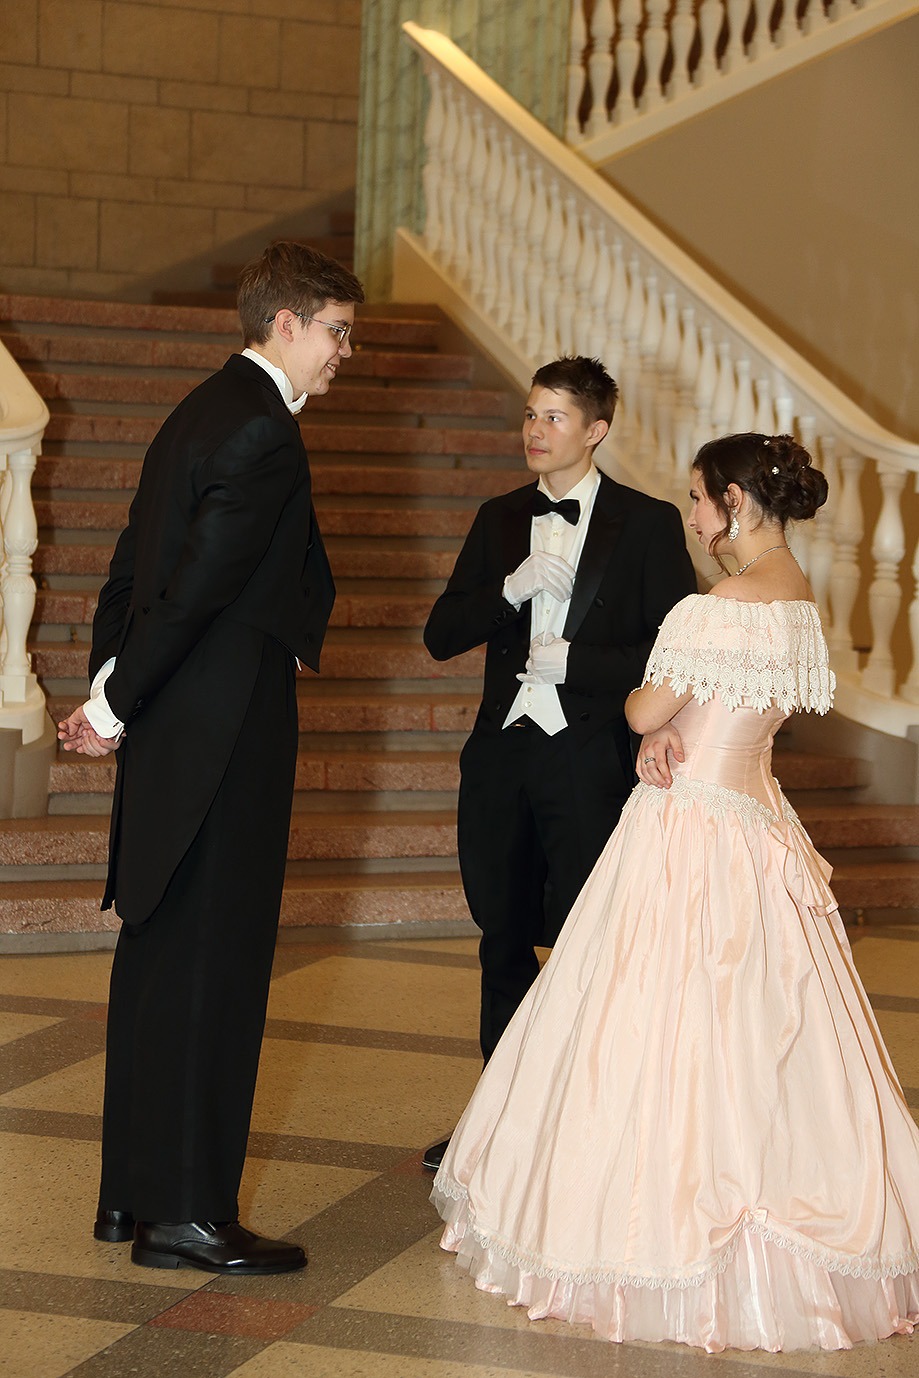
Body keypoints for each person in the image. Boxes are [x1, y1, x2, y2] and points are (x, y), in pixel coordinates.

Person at [430, 432, 919, 1352]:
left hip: (687, 827)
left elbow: (641, 708)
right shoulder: (797, 600)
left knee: (647, 1017)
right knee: (769, 1026)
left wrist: (658, 722)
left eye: (697, 500)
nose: (690, 518)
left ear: (733, 502)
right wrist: (678, 727)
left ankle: (649, 1219)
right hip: (756, 819)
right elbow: (737, 715)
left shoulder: (715, 605)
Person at [57, 240, 364, 1274]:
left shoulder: (196, 409)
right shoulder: (262, 429)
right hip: (225, 736)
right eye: (335, 332)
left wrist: (112, 692)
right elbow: (189, 590)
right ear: (286, 322)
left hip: (174, 730)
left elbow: (130, 568)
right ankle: (189, 1215)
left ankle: (137, 1203)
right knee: (213, 970)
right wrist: (114, 704)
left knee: (159, 960)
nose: (344, 352)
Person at [421, 356, 696, 1171]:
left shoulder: (645, 523)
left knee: (585, 944)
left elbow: (671, 650)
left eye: (554, 417)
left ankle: (583, 1124)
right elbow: (441, 636)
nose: (534, 431)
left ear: (595, 429)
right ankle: (496, 1127)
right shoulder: (497, 517)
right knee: (501, 938)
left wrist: (579, 663)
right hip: (501, 759)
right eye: (530, 414)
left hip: (588, 760)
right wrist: (506, 590)